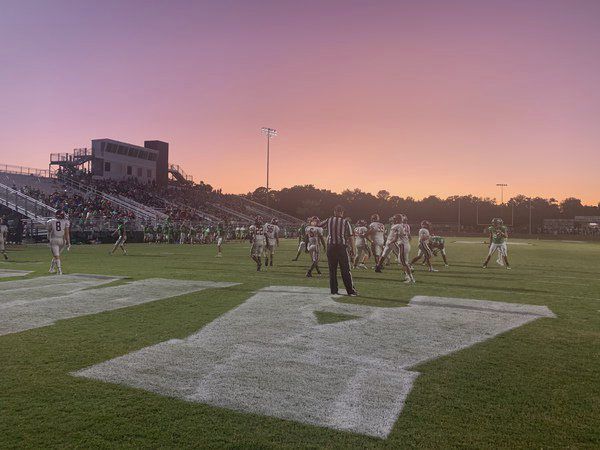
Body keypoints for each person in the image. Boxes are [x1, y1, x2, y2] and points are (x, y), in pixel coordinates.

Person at [321, 205, 358, 296]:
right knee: (345, 269)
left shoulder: (329, 220)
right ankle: (350, 290)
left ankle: (334, 290)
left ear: (334, 212)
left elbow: (319, 225)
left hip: (331, 246)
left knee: (332, 270)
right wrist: (353, 249)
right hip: (341, 247)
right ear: (342, 213)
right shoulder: (345, 222)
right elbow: (350, 236)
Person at [375, 214, 415, 283]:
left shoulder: (397, 226)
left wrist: (390, 242)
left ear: (397, 220)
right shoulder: (402, 225)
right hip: (405, 244)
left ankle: (409, 277)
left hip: (402, 245)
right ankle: (409, 276)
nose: (393, 220)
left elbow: (396, 238)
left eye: (394, 219)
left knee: (403, 262)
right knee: (403, 262)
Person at [47, 210, 70, 275]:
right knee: (56, 255)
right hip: (62, 240)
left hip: (54, 239)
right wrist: (69, 243)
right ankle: (51, 269)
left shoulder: (51, 221)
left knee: (56, 256)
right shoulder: (66, 222)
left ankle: (59, 270)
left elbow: (49, 231)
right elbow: (67, 233)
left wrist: (48, 239)